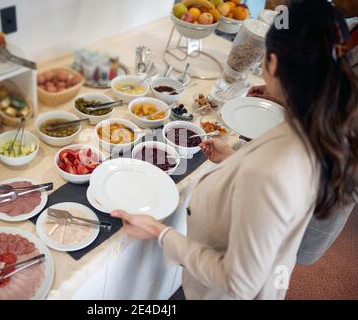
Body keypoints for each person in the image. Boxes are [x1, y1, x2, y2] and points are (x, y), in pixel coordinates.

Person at [111, 0, 358, 300]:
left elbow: (239, 283)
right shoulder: (313, 124)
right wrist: (234, 160)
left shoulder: (275, 168)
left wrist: (160, 233)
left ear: (274, 63)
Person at [249, 2, 357, 266]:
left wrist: (167, 239)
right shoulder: (348, 28)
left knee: (274, 260)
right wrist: (287, 88)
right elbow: (323, 80)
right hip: (298, 171)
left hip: (323, 181)